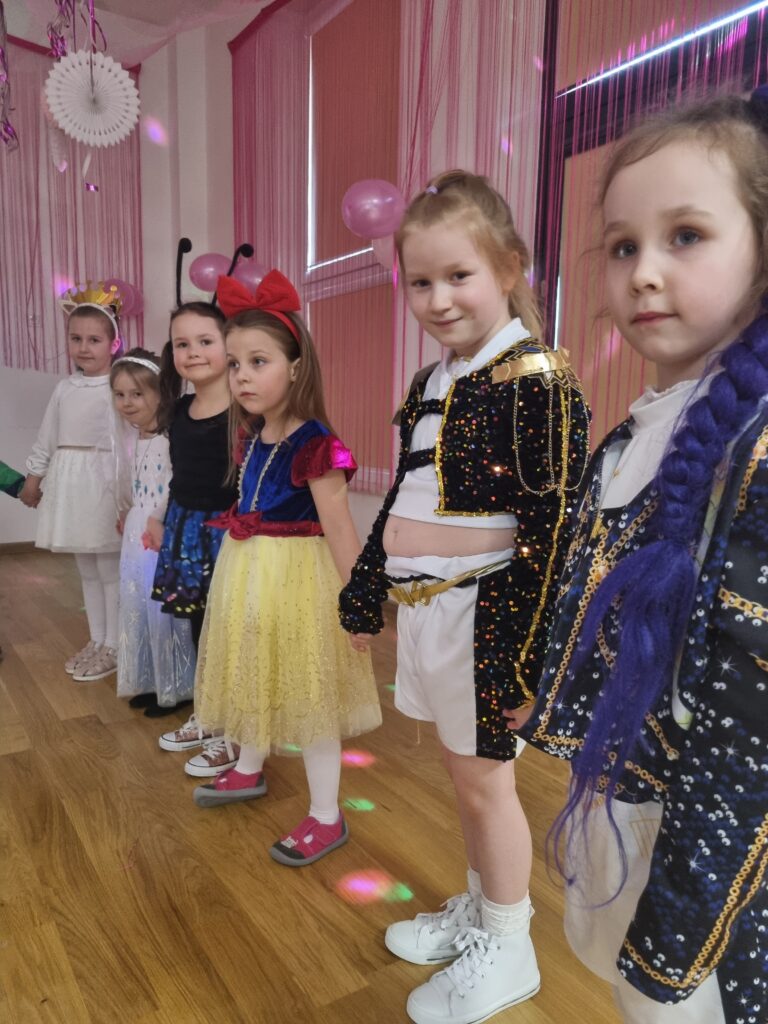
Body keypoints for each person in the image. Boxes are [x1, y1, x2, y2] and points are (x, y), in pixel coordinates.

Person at [515, 91, 768, 1024]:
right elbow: (594, 585)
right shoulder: (636, 431)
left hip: (704, 850)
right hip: (627, 800)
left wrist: (677, 935)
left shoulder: (755, 457)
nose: (644, 274)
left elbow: (749, 738)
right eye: (623, 247)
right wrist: (548, 690)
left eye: (686, 236)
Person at [339, 171, 590, 1023]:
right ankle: (483, 913)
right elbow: (404, 499)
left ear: (509, 267)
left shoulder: (538, 382)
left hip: (489, 620)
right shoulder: (433, 381)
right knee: (465, 778)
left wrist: (523, 657)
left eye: (459, 276)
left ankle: (510, 947)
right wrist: (365, 592)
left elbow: (552, 532)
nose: (438, 299)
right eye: (421, 281)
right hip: (432, 614)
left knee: (486, 785)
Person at [188, 271, 381, 867]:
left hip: (299, 582)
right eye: (235, 364)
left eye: (259, 361)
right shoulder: (251, 434)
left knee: (308, 690)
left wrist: (359, 603)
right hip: (248, 574)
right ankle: (249, 765)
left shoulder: (317, 443)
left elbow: (341, 529)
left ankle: (326, 814)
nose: (242, 376)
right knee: (251, 669)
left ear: (295, 368)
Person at [149, 300, 239, 774]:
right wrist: (160, 516)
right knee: (201, 626)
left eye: (205, 341)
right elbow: (178, 474)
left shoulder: (247, 407)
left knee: (232, 632)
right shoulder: (180, 410)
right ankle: (210, 714)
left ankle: (236, 732)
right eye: (182, 344)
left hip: (232, 534)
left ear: (229, 345)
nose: (194, 352)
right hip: (187, 532)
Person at [19, 284, 123, 681]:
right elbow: (47, 437)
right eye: (76, 338)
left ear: (113, 344)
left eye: (94, 340)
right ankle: (97, 639)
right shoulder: (65, 388)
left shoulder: (118, 386)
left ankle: (115, 644)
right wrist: (33, 479)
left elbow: (131, 442)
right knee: (87, 570)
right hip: (71, 487)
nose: (84, 347)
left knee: (109, 569)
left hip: (104, 486)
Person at [111, 349, 195, 717]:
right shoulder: (135, 437)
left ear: (160, 393)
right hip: (136, 531)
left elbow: (175, 485)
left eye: (137, 394)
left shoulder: (170, 436)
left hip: (160, 531)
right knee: (138, 607)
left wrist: (158, 521)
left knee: (165, 611)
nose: (127, 403)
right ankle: (151, 680)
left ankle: (178, 687)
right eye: (119, 394)